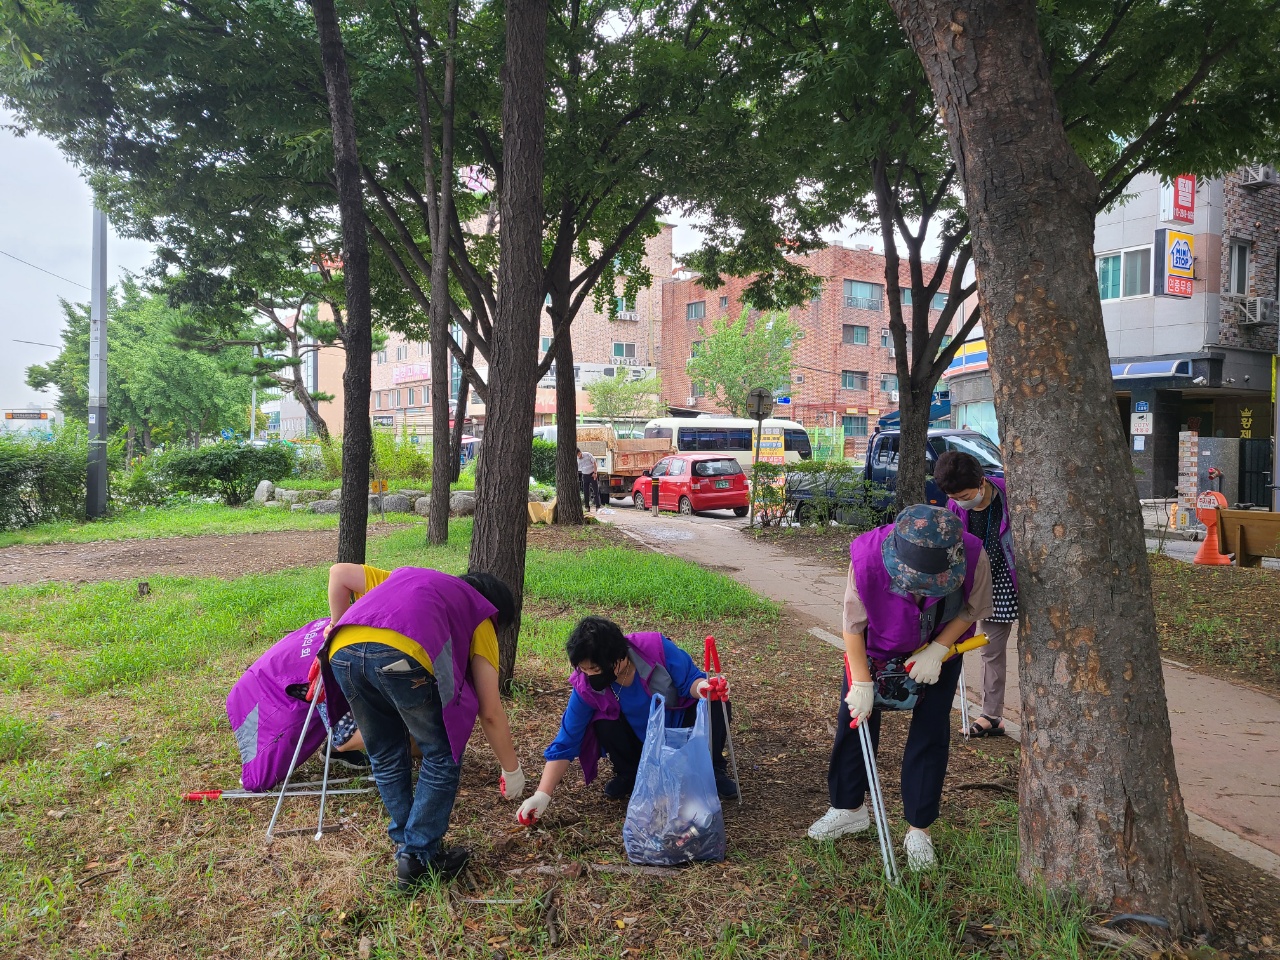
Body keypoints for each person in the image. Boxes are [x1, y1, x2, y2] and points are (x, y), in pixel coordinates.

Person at [808, 504, 992, 871]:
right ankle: (849, 809)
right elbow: (853, 625)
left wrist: (940, 649)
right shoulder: (866, 559)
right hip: (875, 650)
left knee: (931, 730)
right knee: (855, 721)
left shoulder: (972, 553)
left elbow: (973, 608)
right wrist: (861, 681)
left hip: (939, 650)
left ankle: (919, 830)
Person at [323, 562, 526, 890]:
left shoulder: (410, 578)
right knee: (442, 752)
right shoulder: (481, 614)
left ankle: (408, 849)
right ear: (496, 612)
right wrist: (512, 771)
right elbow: (490, 711)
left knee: (386, 752)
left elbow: (339, 573)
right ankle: (419, 856)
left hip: (341, 648)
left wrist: (336, 622)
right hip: (402, 657)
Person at [517, 616, 736, 826]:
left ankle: (711, 768)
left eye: (596, 668)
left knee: (716, 702)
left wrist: (703, 688)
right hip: (639, 744)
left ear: (620, 656)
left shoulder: (654, 649)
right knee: (603, 722)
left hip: (679, 728)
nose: (590, 675)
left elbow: (690, 680)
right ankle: (630, 774)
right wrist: (541, 795)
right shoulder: (586, 686)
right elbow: (567, 739)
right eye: (583, 669)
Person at [934, 450, 1018, 738]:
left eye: (966, 494)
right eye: (955, 497)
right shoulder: (956, 507)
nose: (961, 502)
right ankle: (992, 716)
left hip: (1014, 579)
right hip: (981, 583)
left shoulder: (1013, 496)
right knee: (990, 650)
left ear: (982, 482)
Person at [577, 447, 600, 512]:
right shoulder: (577, 459)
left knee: (595, 490)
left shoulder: (587, 455)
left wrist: (595, 473)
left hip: (592, 474)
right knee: (586, 491)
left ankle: (598, 506)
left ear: (580, 452)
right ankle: (587, 507)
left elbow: (595, 463)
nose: (578, 456)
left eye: (578, 454)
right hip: (584, 475)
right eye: (577, 455)